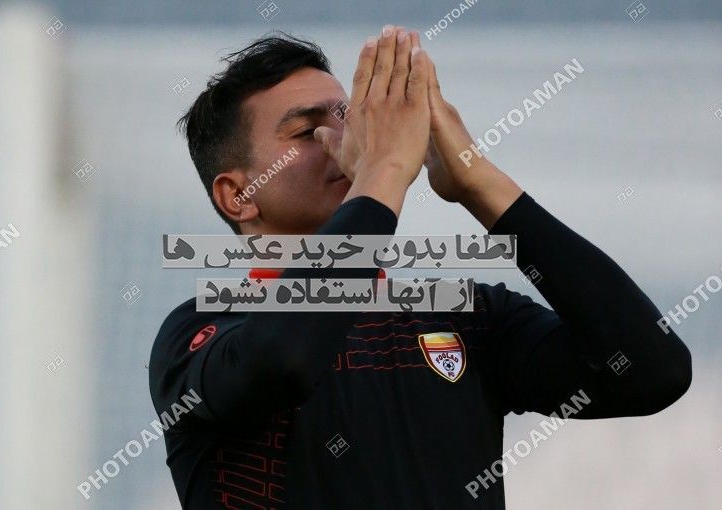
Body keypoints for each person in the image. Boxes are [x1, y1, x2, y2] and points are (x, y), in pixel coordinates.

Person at [149, 26, 691, 509]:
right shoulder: (202, 332)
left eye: (351, 117)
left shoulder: (468, 318)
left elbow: (652, 371)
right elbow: (285, 358)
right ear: (239, 195)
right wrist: (383, 169)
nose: (349, 139)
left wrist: (476, 181)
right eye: (307, 130)